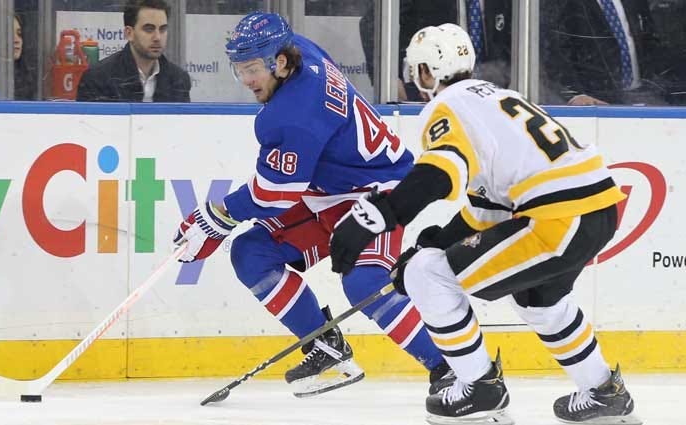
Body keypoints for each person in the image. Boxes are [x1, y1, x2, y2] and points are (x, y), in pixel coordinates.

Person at [330, 23, 640, 424]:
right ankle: (602, 393)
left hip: (556, 218)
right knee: (539, 299)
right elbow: (488, 208)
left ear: (427, 72)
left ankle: (479, 389)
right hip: (597, 210)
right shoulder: (498, 97)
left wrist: (378, 218)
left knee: (427, 275)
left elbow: (438, 174)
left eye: (416, 70)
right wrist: (438, 242)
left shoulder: (446, 107)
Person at [171, 11, 452, 397]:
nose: (247, 80)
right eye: (240, 69)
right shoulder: (299, 51)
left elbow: (274, 194)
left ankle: (451, 368)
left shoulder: (295, 112)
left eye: (253, 68)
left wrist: (218, 216)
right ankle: (325, 345)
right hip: (325, 191)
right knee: (252, 252)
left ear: (280, 62)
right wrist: (221, 220)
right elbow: (285, 185)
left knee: (364, 281)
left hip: (377, 188)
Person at [540, 0, 686, 105]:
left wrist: (662, 87)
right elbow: (552, 52)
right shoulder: (563, 4)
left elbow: (650, 44)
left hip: (645, 94)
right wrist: (575, 95)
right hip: (595, 101)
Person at [360, 0, 511, 102]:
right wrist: (391, 80)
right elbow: (372, 22)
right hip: (427, 94)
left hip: (488, 96)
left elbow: (512, 43)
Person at [76, 0, 190, 102]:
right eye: (149, 29)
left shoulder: (179, 80)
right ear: (129, 33)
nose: (157, 37)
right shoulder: (98, 79)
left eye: (163, 29)